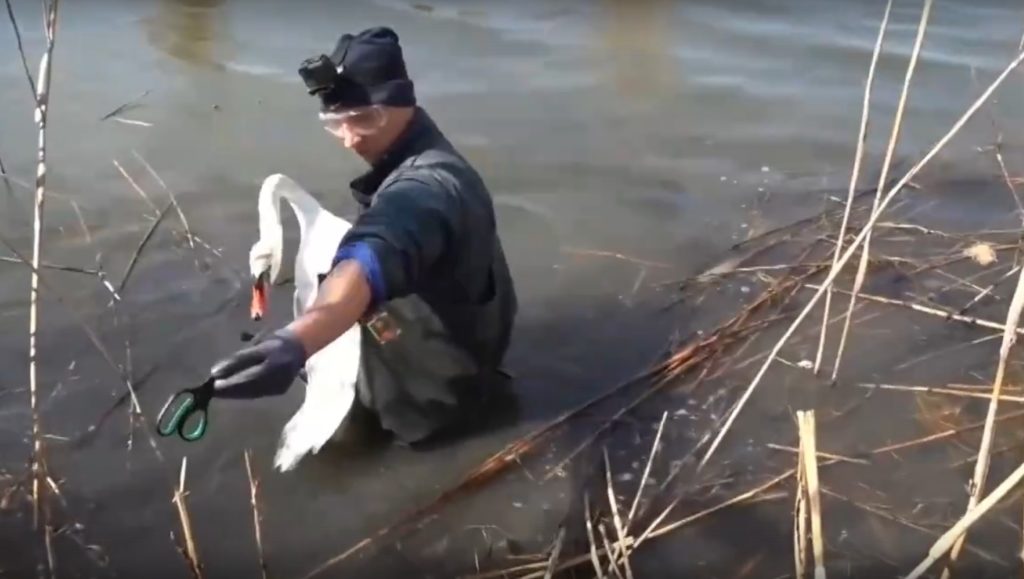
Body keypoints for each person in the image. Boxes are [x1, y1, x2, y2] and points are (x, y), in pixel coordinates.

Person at [209, 26, 518, 445]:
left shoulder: (428, 188)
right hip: (466, 343)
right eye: (336, 123)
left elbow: (375, 252)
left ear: (402, 102)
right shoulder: (425, 152)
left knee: (338, 438)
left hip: (431, 397)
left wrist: (299, 340)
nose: (350, 139)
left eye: (364, 119)